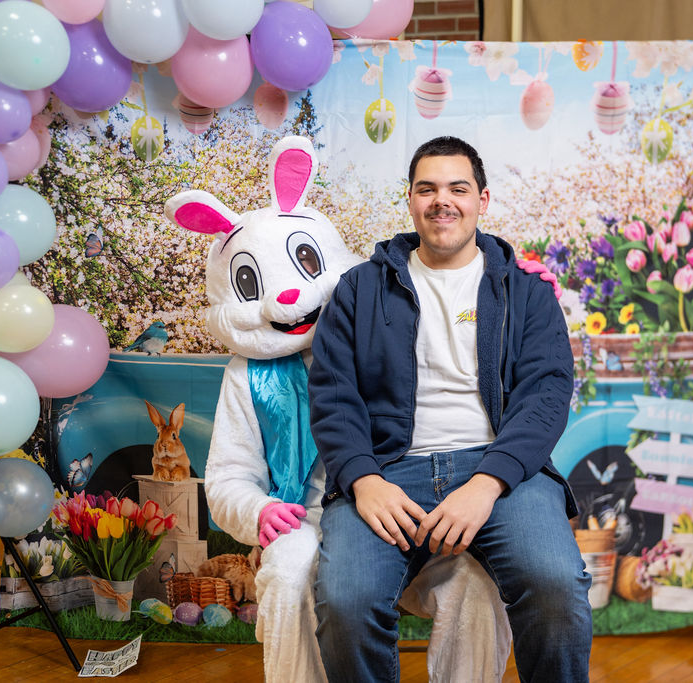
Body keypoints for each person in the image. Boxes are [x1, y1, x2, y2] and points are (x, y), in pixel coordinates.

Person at [165, 135, 512, 683]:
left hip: (413, 507)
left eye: (304, 264)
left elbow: (465, 342)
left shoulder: (388, 325)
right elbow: (229, 474)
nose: (285, 296)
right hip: (311, 518)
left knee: (474, 580)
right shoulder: (250, 376)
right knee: (291, 567)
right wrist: (257, 510)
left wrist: (511, 288)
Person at [309, 136, 593, 682]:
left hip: (501, 469)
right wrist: (363, 480)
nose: (443, 201)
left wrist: (486, 484)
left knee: (557, 585)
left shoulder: (526, 294)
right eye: (428, 188)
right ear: (411, 200)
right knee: (346, 603)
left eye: (458, 188)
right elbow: (333, 394)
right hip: (388, 472)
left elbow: (546, 395)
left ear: (482, 199)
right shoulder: (359, 290)